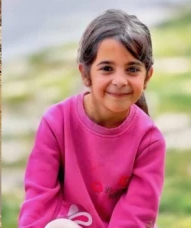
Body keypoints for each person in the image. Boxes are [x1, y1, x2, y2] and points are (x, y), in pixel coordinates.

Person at [19, 9, 166, 228]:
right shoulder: (56, 122)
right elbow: (39, 201)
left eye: (132, 69)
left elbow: (136, 216)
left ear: (147, 76)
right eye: (107, 68)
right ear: (86, 74)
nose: (120, 80)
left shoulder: (149, 141)